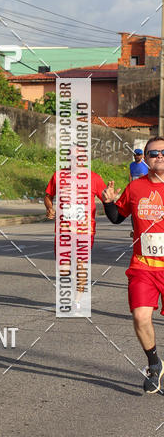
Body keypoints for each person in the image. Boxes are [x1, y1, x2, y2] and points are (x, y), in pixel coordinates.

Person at [102, 136, 164, 393]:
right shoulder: (136, 187)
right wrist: (107, 202)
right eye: (153, 153)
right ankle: (154, 363)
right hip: (143, 266)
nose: (159, 156)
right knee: (140, 317)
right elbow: (117, 217)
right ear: (144, 159)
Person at [44, 161, 106, 250]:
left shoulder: (94, 178)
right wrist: (49, 208)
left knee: (80, 262)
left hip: (85, 231)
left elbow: (106, 200)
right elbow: (48, 196)